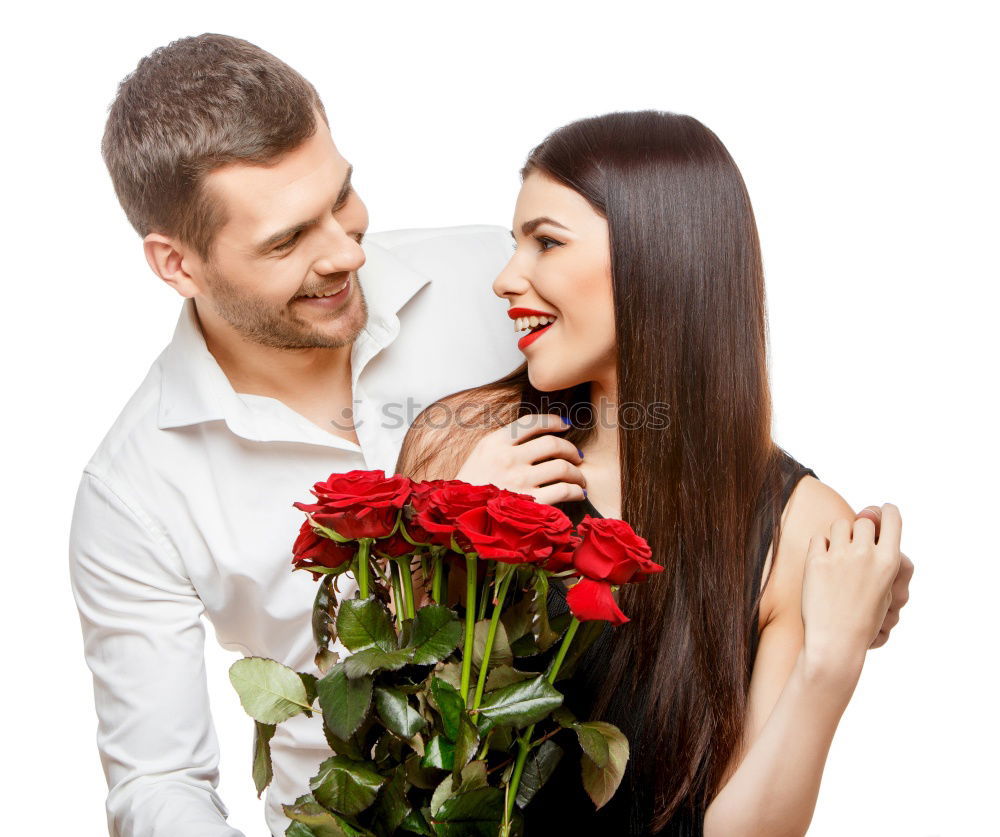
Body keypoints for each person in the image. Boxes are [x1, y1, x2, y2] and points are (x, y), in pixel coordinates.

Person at [67, 33, 538, 837]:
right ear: (176, 265)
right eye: (287, 241)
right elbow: (159, 779)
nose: (346, 250)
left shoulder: (493, 277)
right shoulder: (133, 490)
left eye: (342, 198)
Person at [394, 111, 914, 835]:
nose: (506, 278)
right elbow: (399, 757)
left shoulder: (800, 523)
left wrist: (831, 662)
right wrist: (458, 535)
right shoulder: (460, 445)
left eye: (545, 241)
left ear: (658, 255)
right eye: (516, 242)